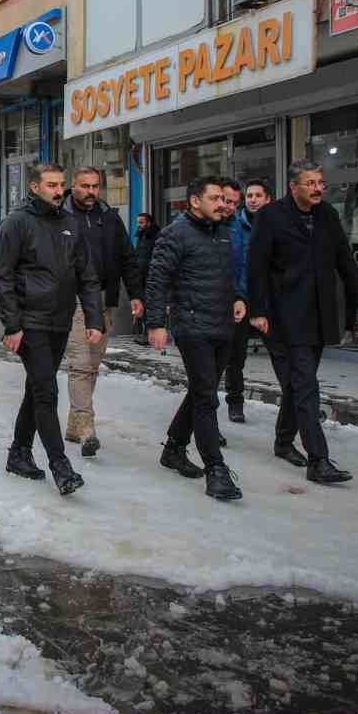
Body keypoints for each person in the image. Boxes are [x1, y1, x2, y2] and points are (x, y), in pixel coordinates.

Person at [247, 159, 358, 485]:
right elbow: (257, 267)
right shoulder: (270, 216)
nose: (319, 188)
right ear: (294, 187)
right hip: (280, 316)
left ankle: (283, 441)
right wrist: (258, 310)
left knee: (297, 384)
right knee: (305, 385)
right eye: (311, 183)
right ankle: (319, 460)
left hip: (317, 315)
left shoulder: (327, 215)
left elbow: (345, 260)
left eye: (320, 182)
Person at [0, 162, 101, 496]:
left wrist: (94, 319)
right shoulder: (16, 223)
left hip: (60, 321)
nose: (59, 190)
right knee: (46, 392)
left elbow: (86, 274)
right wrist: (12, 324)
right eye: (51, 185)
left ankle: (19, 452)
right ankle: (61, 466)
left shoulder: (70, 223)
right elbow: (3, 277)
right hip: (30, 323)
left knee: (37, 389)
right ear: (34, 187)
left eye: (61, 184)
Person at [144, 176, 246, 501]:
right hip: (192, 326)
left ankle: (173, 447)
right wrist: (156, 323)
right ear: (194, 201)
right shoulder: (175, 234)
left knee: (202, 391)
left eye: (225, 199)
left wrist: (238, 297)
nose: (223, 204)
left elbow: (228, 275)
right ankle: (216, 470)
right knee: (206, 397)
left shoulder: (224, 233)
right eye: (215, 198)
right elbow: (157, 280)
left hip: (222, 325)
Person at [60, 166, 143, 457]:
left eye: (96, 186)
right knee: (81, 363)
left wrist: (136, 294)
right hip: (74, 301)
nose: (92, 192)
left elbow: (128, 257)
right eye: (86, 186)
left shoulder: (109, 218)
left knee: (93, 364)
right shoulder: (60, 215)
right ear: (74, 186)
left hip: (104, 301)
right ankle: (86, 428)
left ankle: (73, 424)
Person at [217, 178, 255, 424]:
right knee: (211, 363)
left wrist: (240, 296)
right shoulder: (205, 225)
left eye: (233, 202)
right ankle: (205, 415)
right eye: (224, 200)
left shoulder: (243, 228)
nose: (228, 206)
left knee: (236, 358)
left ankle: (235, 401)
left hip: (239, 303)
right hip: (211, 303)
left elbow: (245, 267)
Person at [132, 213, 160, 345]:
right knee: (142, 304)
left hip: (151, 276)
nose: (139, 225)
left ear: (149, 223)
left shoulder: (156, 237)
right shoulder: (141, 236)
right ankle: (143, 333)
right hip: (141, 275)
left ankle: (149, 334)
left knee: (150, 305)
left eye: (141, 222)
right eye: (138, 222)